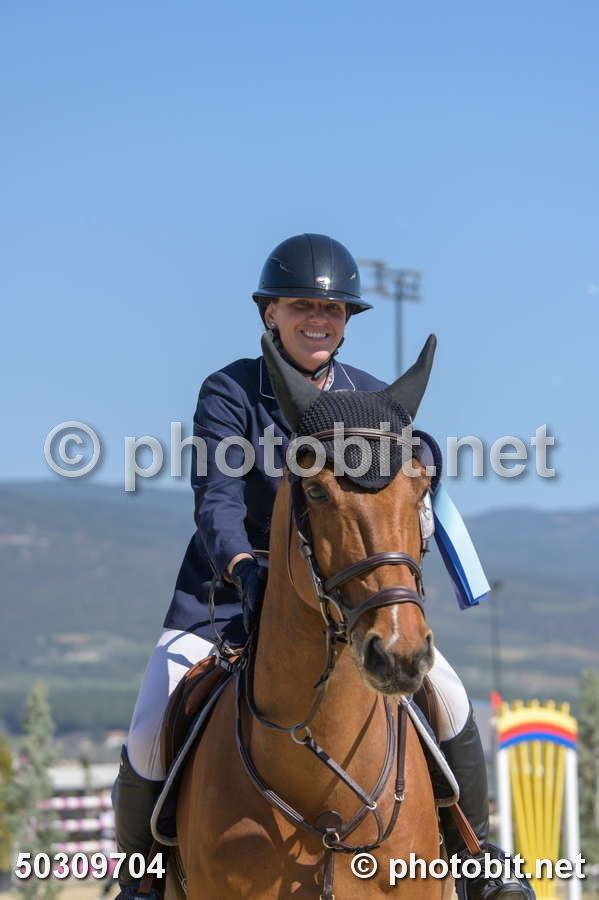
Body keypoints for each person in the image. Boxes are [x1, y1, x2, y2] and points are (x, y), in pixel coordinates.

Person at [112, 233, 532, 899]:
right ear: (269, 313)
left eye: (332, 310)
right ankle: (141, 879)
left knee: (447, 697)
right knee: (148, 723)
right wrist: (244, 568)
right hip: (228, 598)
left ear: (345, 322)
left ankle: (478, 861)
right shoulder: (230, 391)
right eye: (302, 305)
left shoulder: (372, 398)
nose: (318, 319)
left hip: (347, 601)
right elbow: (217, 500)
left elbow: (402, 485)